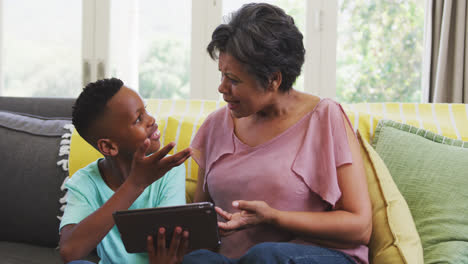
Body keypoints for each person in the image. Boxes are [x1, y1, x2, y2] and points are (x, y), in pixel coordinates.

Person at [184, 3, 372, 264]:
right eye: (221, 75)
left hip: (312, 255)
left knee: (266, 256)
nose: (222, 88)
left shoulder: (325, 117)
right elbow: (201, 223)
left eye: (234, 80)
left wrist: (275, 217)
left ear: (274, 79)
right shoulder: (216, 125)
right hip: (234, 260)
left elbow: (359, 226)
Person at [59, 78, 192, 264]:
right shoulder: (85, 182)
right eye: (138, 119)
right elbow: (69, 251)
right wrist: (135, 184)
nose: (151, 120)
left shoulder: (169, 170)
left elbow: (170, 243)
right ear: (108, 146)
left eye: (145, 111)